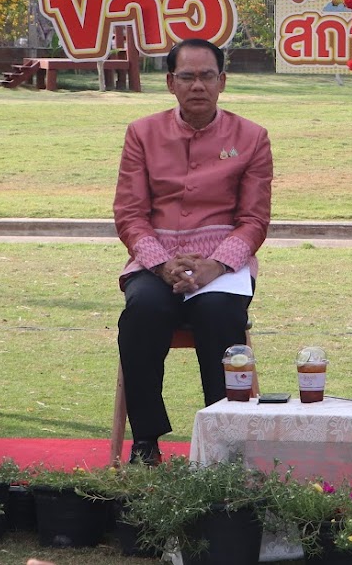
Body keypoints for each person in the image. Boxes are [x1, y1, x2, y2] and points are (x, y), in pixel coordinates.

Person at [113, 38, 273, 465]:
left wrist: (215, 266)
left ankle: (223, 441)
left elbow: (254, 220)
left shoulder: (252, 137)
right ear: (170, 82)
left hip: (221, 261)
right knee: (143, 312)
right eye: (187, 76)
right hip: (156, 256)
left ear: (222, 81)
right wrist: (163, 265)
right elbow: (130, 214)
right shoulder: (142, 133)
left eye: (207, 76)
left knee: (219, 315)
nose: (197, 85)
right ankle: (146, 438)